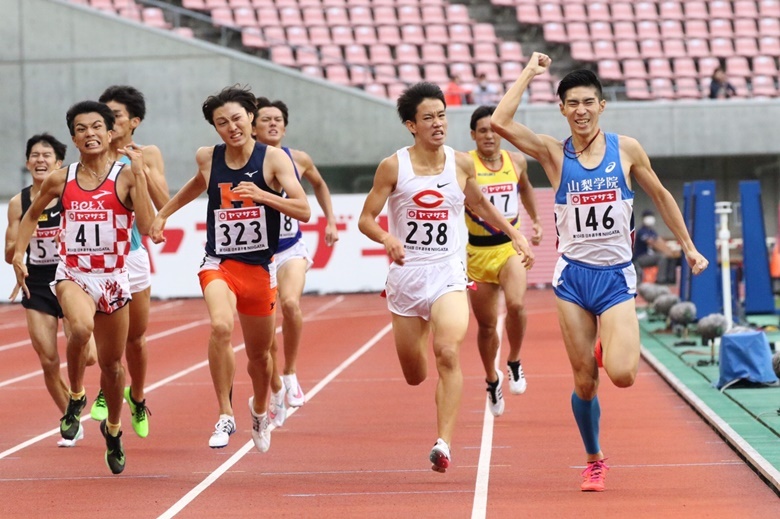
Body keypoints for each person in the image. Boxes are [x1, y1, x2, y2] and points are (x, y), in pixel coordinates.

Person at [491, 53, 709, 491]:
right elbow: (499, 121)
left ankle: (603, 345)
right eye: (572, 103)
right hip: (573, 280)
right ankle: (594, 460)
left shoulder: (625, 149)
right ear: (562, 108)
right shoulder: (553, 153)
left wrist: (688, 246)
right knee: (585, 383)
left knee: (624, 374)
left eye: (588, 102)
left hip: (614, 279)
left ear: (602, 105)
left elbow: (662, 195)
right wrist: (530, 73)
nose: (581, 110)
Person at [358, 82, 534, 473]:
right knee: (415, 374)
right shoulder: (393, 166)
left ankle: (444, 444)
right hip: (406, 277)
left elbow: (481, 205)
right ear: (410, 125)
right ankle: (420, 361)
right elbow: (365, 219)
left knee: (449, 351)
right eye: (428, 118)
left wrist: (516, 232)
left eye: (442, 116)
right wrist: (388, 237)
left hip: (449, 273)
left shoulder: (460, 163)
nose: (438, 124)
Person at [149, 86, 310, 453]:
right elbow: (195, 186)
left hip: (260, 269)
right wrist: (162, 214)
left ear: (251, 117)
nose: (231, 127)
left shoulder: (274, 160)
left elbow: (304, 210)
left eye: (237, 118)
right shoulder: (208, 157)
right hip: (219, 262)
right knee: (221, 326)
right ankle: (225, 413)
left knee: (259, 358)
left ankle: (258, 408)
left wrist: (264, 195)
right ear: (215, 128)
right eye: (221, 123)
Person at [12, 101, 156, 474]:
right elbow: (30, 214)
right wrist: (18, 255)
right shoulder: (62, 178)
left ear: (111, 134)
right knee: (79, 327)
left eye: (97, 127)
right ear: (73, 137)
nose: (89, 133)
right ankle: (76, 396)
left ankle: (113, 430)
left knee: (112, 366)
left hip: (113, 278)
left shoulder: (124, 176)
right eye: (80, 128)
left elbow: (149, 224)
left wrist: (140, 177)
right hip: (72, 273)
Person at [86, 85, 169, 438]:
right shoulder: (90, 152)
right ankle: (105, 389)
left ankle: (136, 396)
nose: (107, 121)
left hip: (131, 254)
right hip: (92, 259)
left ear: (134, 121)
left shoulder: (146, 153)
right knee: (101, 333)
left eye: (116, 115)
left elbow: (166, 204)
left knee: (135, 337)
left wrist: (140, 171)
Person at [4, 133, 97, 448]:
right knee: (47, 359)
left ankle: (80, 391)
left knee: (90, 357)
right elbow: (8, 251)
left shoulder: (72, 192)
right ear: (28, 162)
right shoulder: (19, 202)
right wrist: (23, 246)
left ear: (60, 163)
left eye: (47, 156)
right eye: (35, 155)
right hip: (38, 284)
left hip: (72, 277)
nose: (40, 160)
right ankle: (70, 419)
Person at [253, 97, 339, 427]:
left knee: (290, 303)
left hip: (291, 249)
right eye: (265, 119)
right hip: (257, 256)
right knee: (264, 328)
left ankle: (290, 374)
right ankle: (274, 386)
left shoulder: (299, 158)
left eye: (278, 119)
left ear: (285, 127)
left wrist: (330, 220)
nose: (273, 124)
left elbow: (319, 184)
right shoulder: (246, 162)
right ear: (253, 126)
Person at [466, 105, 543, 417]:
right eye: (482, 130)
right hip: (477, 253)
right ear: (473, 135)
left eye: (493, 130)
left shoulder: (517, 161)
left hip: (510, 247)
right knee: (485, 327)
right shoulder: (464, 165)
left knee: (516, 305)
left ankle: (514, 360)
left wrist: (536, 221)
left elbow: (525, 188)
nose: (488, 135)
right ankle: (491, 378)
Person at [633, 209, 681, 285]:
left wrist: (670, 252)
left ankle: (670, 279)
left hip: (650, 256)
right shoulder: (641, 231)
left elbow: (660, 241)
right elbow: (653, 243)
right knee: (662, 257)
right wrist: (667, 252)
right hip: (640, 258)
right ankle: (660, 280)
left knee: (670, 257)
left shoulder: (651, 231)